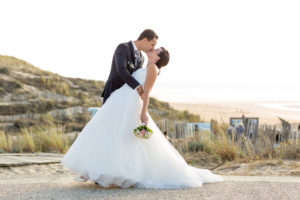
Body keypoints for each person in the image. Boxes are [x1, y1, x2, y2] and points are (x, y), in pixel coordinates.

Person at [61, 44, 223, 189]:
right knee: (108, 133)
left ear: (158, 57)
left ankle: (108, 172)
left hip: (129, 104)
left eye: (156, 50)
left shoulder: (152, 69)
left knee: (121, 137)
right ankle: (94, 171)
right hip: (119, 101)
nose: (153, 49)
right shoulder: (145, 65)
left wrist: (144, 112)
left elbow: (146, 93)